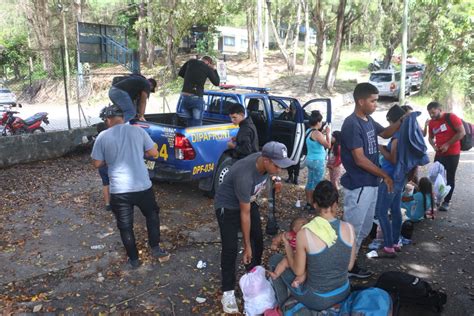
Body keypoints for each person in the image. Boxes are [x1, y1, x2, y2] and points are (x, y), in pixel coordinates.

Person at [214, 141, 295, 314]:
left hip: (248, 202)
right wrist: (246, 246)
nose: (280, 168)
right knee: (230, 247)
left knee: (258, 240)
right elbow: (244, 214)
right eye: (277, 166)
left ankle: (254, 277)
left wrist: (276, 177)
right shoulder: (245, 175)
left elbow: (249, 209)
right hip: (228, 207)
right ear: (265, 160)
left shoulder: (264, 163)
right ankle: (227, 291)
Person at [91, 105, 168, 268]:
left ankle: (134, 260)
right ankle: (155, 248)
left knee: (125, 226)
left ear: (108, 120)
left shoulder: (103, 136)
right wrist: (140, 153)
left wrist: (110, 158)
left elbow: (97, 163)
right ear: (123, 118)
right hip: (143, 187)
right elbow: (154, 153)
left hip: (119, 191)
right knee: (152, 216)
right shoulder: (138, 131)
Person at [340, 82, 403, 278]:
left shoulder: (367, 119)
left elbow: (384, 133)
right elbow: (359, 159)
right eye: (373, 101)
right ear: (361, 101)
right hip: (359, 186)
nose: (376, 104)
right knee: (353, 230)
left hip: (371, 184)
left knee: (365, 228)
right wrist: (385, 174)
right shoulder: (351, 124)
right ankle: (343, 270)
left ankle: (350, 265)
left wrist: (402, 122)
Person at [269, 180, 356, 311]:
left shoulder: (305, 233)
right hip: (343, 292)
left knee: (275, 260)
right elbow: (349, 266)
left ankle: (285, 308)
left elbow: (298, 271)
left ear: (315, 204)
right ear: (335, 204)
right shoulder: (349, 228)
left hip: (318, 299)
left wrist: (287, 245)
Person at [374, 105, 407, 258]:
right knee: (395, 210)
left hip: (390, 177)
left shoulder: (396, 137)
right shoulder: (407, 134)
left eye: (389, 122)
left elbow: (393, 159)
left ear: (393, 121)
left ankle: (388, 246)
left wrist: (380, 148)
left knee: (381, 211)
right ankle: (395, 241)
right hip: (401, 177)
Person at [427, 101, 466, 212]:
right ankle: (437, 198)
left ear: (440, 109)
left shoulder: (451, 117)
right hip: (439, 154)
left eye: (434, 112)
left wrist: (448, 144)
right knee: (435, 176)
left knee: (449, 177)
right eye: (430, 113)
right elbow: (430, 138)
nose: (432, 115)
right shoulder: (431, 122)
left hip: (452, 154)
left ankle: (446, 202)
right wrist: (433, 145)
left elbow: (461, 132)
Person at [178, 56, 220, 126]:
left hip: (184, 96)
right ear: (208, 63)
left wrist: (190, 78)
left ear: (202, 59)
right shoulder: (207, 68)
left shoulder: (191, 61)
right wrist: (214, 70)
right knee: (197, 124)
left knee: (188, 123)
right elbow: (216, 82)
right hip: (196, 97)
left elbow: (180, 73)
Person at [304, 111, 331, 213]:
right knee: (318, 184)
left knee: (310, 182)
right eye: (321, 121)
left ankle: (308, 203)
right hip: (318, 161)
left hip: (309, 159)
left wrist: (322, 134)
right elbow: (328, 145)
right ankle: (316, 204)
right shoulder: (317, 133)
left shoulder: (309, 131)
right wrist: (328, 133)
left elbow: (316, 140)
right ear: (318, 122)